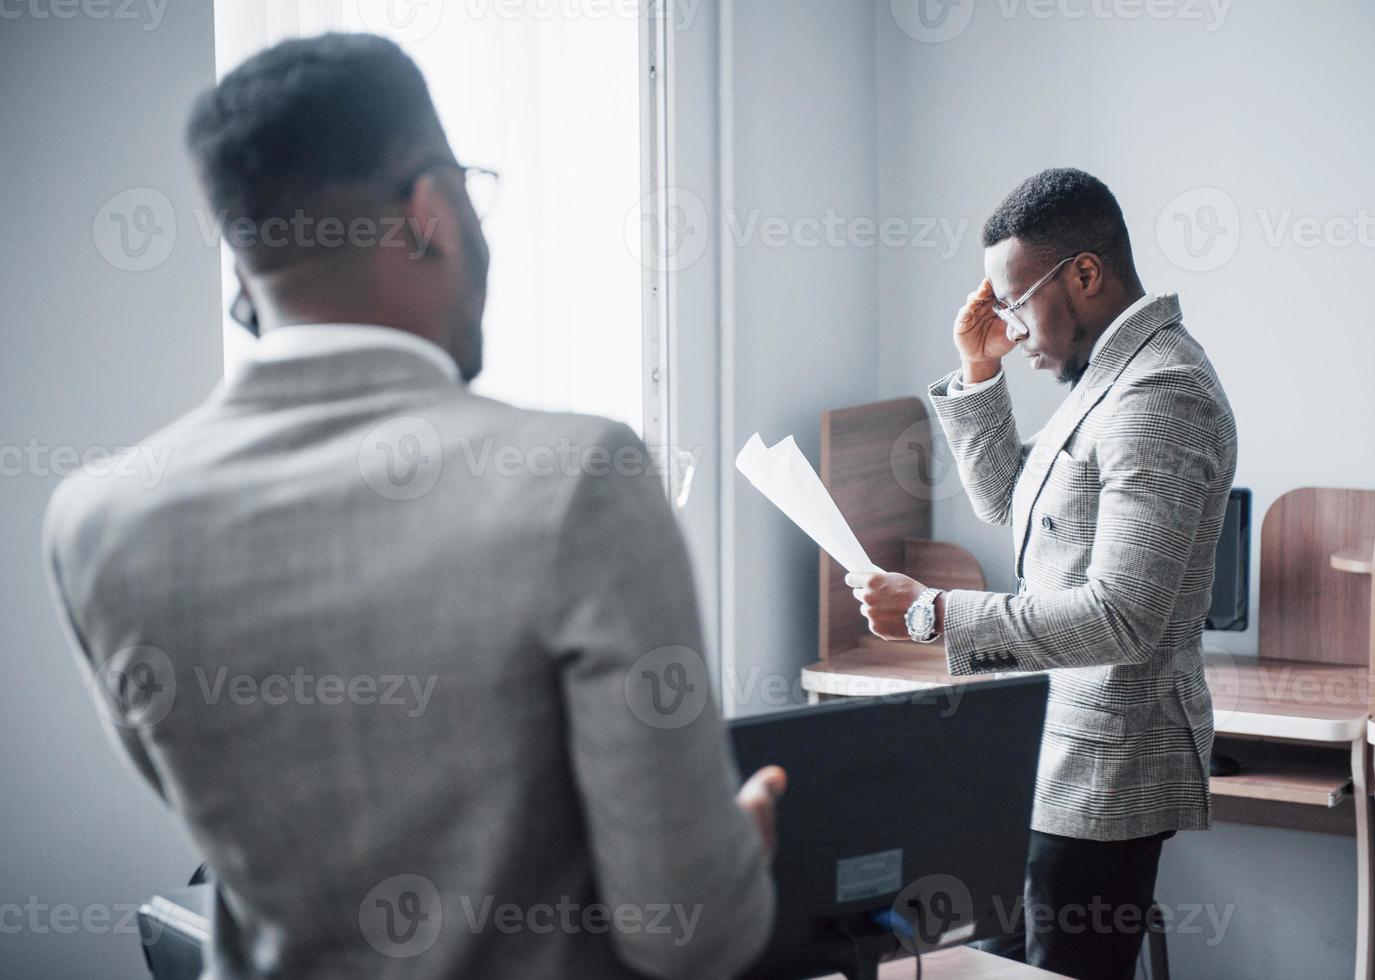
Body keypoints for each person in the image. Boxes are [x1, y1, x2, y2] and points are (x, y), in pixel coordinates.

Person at [43, 33, 781, 980]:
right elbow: (686, 934)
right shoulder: (579, 479)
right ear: (431, 209)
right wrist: (738, 844)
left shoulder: (97, 522)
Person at [849, 168, 1237, 979]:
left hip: (1104, 773)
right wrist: (979, 371)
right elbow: (1006, 499)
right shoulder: (1108, 376)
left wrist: (933, 615)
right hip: (1055, 751)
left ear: (1085, 274)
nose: (1014, 330)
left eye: (1017, 303)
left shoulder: (1159, 391)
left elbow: (1123, 614)